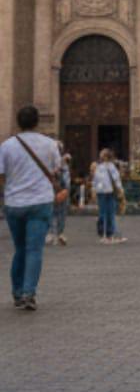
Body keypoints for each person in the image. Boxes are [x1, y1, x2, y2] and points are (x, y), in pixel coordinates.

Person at [0, 106, 61, 311]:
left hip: (14, 203)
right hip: (40, 202)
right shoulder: (50, 144)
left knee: (20, 249)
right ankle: (28, 293)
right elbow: (56, 169)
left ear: (18, 122)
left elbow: (1, 175)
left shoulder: (7, 145)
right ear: (37, 122)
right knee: (34, 249)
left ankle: (17, 292)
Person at [92, 149, 126, 244]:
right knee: (109, 213)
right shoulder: (111, 167)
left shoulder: (100, 167)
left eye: (102, 154)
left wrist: (94, 189)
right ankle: (108, 235)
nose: (100, 156)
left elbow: (95, 180)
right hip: (108, 191)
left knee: (103, 213)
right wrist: (120, 190)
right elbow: (116, 179)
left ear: (105, 157)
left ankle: (104, 235)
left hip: (103, 192)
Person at [45, 153, 72, 246]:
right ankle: (54, 233)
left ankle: (56, 233)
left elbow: (67, 182)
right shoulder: (52, 165)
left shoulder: (63, 167)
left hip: (58, 193)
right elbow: (67, 183)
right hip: (55, 193)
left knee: (58, 214)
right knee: (53, 213)